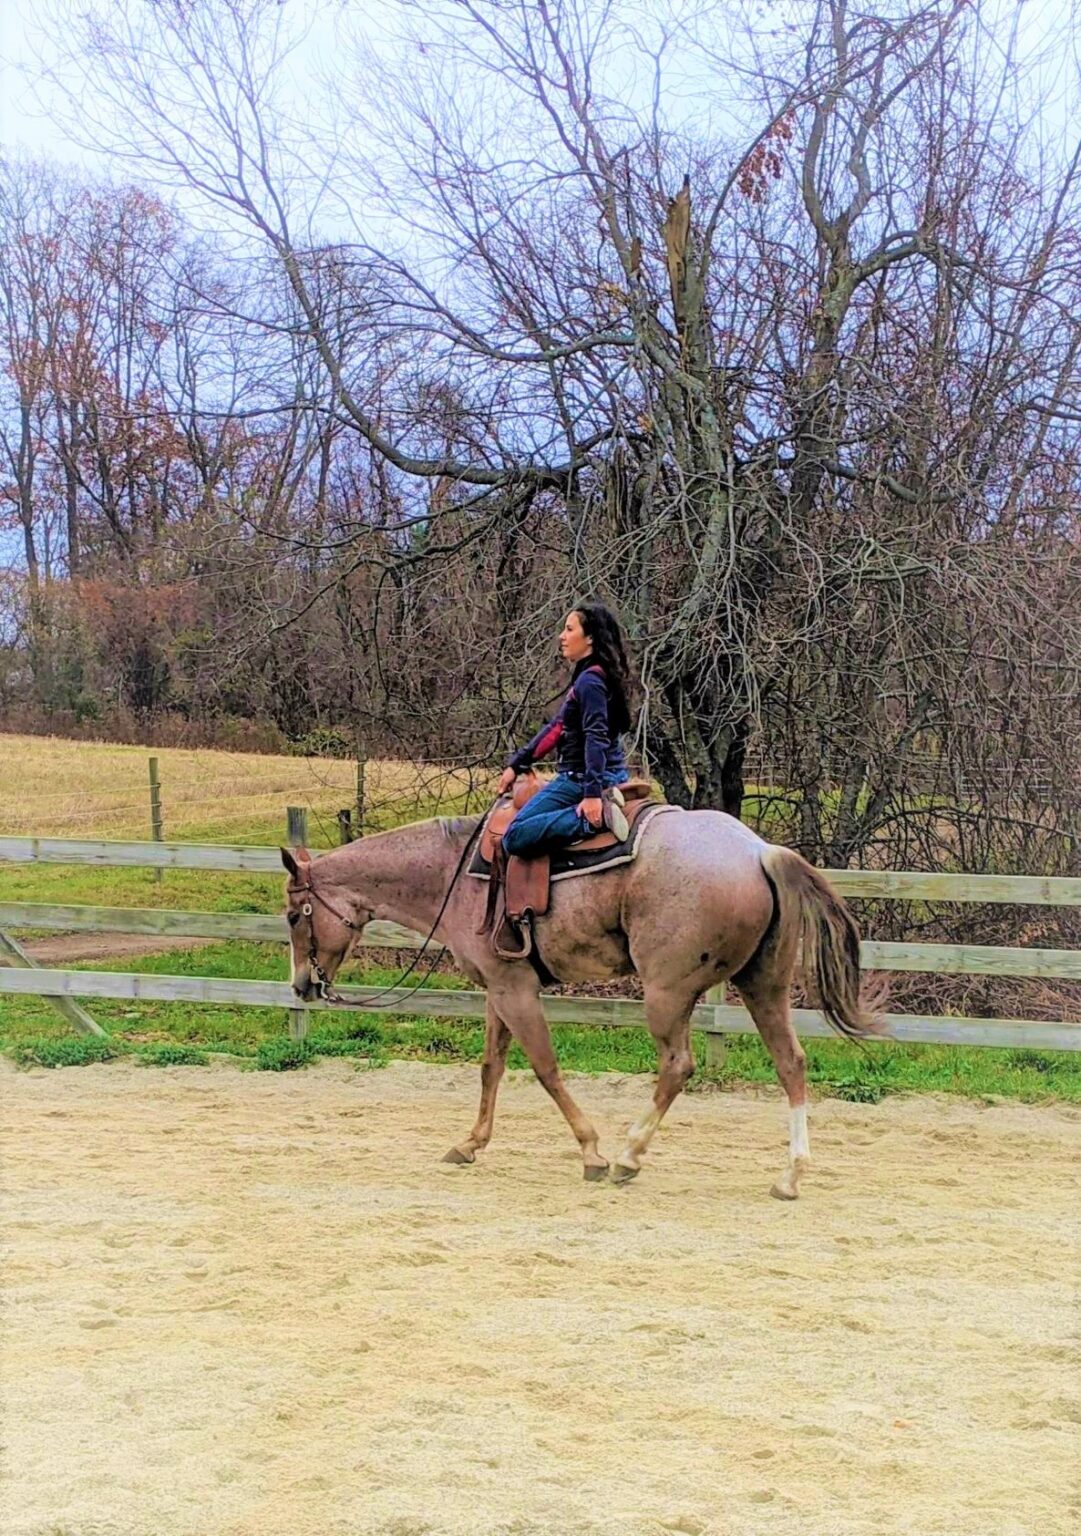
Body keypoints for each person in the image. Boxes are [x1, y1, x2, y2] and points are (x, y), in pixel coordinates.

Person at [499, 602, 633, 856]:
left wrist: (592, 795)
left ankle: (591, 820)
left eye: (569, 629)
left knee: (514, 835)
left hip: (583, 779)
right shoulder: (596, 675)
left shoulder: (590, 682)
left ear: (590, 638)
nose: (562, 636)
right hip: (612, 775)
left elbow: (596, 736)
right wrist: (517, 764)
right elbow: (557, 727)